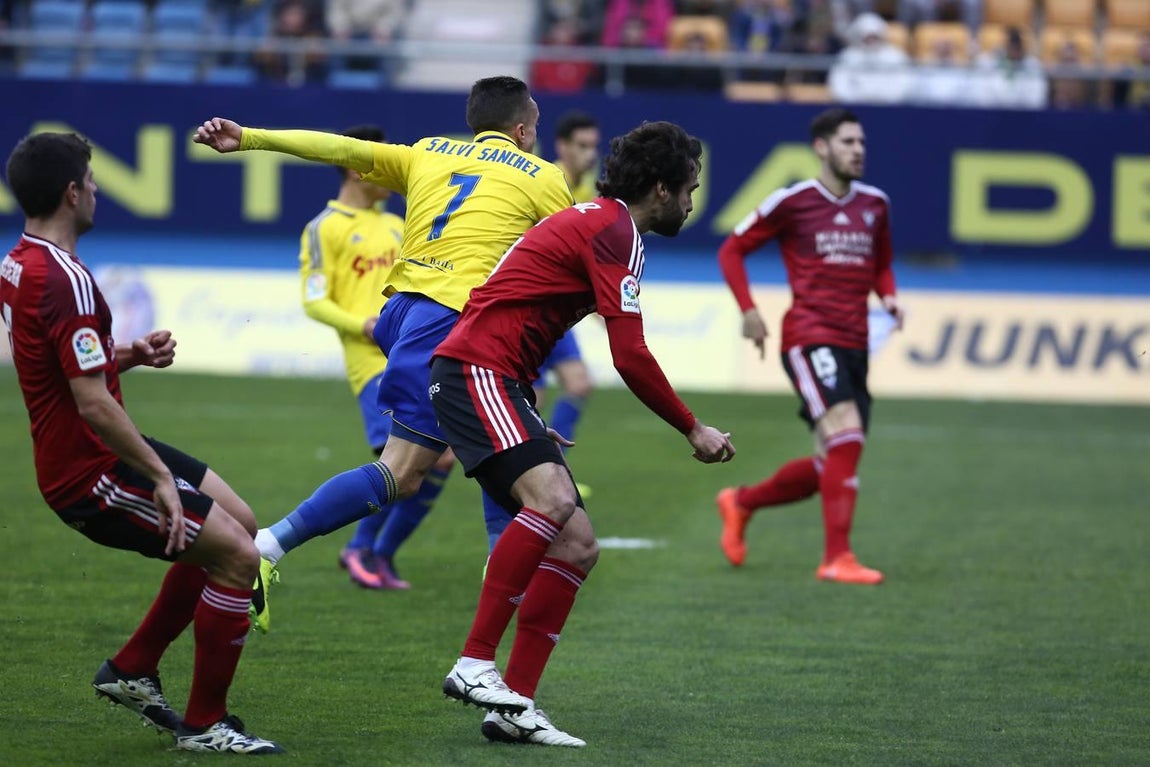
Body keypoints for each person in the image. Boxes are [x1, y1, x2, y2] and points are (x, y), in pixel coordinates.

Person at [193, 75, 574, 632]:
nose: (536, 136)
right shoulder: (543, 177)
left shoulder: (427, 153)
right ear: (521, 130)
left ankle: (501, 577)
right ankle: (265, 549)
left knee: (497, 451)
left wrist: (249, 137)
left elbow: (339, 149)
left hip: (406, 318)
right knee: (402, 471)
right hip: (451, 323)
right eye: (535, 127)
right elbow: (564, 264)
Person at [431, 121, 736, 747]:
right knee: (554, 502)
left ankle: (513, 707)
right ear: (661, 187)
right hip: (476, 369)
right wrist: (692, 427)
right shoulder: (616, 230)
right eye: (689, 190)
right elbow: (628, 355)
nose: (691, 203)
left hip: (498, 378)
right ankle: (474, 662)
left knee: (577, 545)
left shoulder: (601, 221)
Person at [0, 132, 282, 754]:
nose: (99, 190)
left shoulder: (19, 261)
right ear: (73, 193)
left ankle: (131, 669)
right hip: (89, 471)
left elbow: (64, 370)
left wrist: (126, 353)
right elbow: (93, 402)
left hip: (90, 446)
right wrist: (158, 476)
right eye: (93, 181)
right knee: (237, 555)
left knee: (240, 520)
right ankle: (206, 726)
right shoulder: (65, 278)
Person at [714, 108, 902, 586]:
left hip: (856, 341)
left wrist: (890, 296)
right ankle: (837, 557)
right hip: (809, 334)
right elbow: (731, 248)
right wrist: (749, 309)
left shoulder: (875, 203)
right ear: (822, 147)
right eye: (847, 142)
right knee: (848, 435)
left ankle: (741, 502)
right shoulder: (794, 200)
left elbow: (880, 264)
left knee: (832, 463)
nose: (858, 150)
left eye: (861, 142)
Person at [297, 124, 453, 590]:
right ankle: (363, 548)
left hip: (417, 354)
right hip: (372, 364)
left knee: (433, 463)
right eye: (376, 161)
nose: (386, 171)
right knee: (407, 464)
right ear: (353, 167)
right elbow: (313, 299)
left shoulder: (396, 223)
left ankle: (376, 553)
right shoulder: (324, 227)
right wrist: (360, 324)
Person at [481, 110, 602, 550]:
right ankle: (527, 490)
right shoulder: (545, 179)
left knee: (579, 384)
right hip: (525, 309)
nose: (592, 155)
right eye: (584, 146)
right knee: (529, 403)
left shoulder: (585, 190)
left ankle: (554, 470)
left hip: (554, 313)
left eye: (595, 146)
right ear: (563, 147)